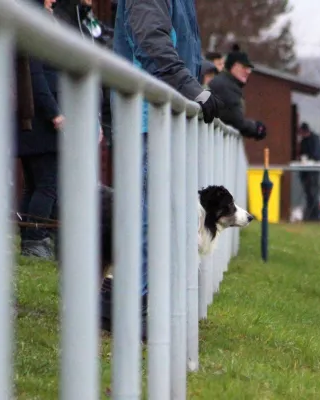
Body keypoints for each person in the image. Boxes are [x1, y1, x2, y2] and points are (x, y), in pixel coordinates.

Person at [103, 0, 223, 340]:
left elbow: (183, 47)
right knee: (146, 215)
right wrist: (195, 91)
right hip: (145, 115)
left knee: (159, 215)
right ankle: (129, 304)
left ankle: (138, 301)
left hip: (163, 115)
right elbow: (152, 44)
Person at [17, 0, 64, 259]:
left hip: (30, 116)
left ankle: (29, 238)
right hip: (40, 118)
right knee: (47, 183)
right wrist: (54, 112)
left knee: (34, 184)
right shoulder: (34, 21)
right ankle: (35, 240)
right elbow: (35, 74)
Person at [208, 44, 267, 141]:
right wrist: (257, 128)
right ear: (233, 67)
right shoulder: (226, 86)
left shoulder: (226, 83)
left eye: (249, 68)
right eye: (244, 67)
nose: (248, 71)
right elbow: (236, 121)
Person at [298, 122, 320, 221]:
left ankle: (315, 216)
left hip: (312, 171)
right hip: (305, 171)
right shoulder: (303, 141)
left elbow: (316, 154)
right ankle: (310, 215)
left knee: (313, 193)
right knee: (308, 194)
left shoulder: (314, 139)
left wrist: (309, 159)